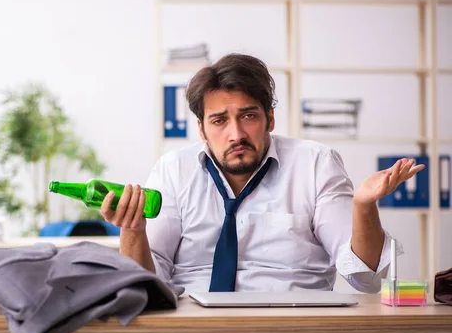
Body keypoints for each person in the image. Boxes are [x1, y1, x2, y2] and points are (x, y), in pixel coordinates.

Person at [100, 53, 424, 294]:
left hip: (295, 326)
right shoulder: (173, 170)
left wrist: (363, 207)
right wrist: (132, 231)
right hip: (191, 322)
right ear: (201, 129)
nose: (236, 134)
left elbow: (365, 279)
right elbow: (146, 287)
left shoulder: (315, 163)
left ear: (270, 119)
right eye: (219, 121)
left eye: (248, 116)